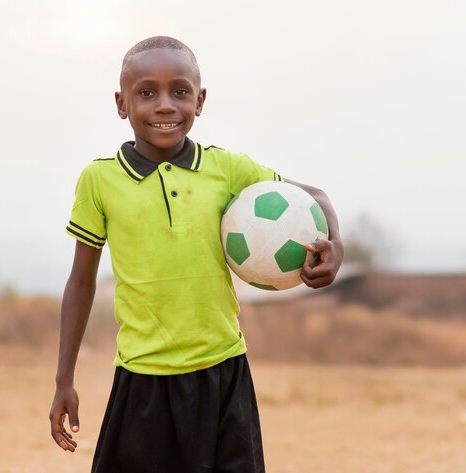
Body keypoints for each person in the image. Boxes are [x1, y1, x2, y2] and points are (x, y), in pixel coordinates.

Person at [50, 36, 344, 473]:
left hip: (223, 371)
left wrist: (334, 245)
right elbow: (80, 281)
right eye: (146, 93)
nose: (165, 105)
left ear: (200, 100)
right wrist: (63, 381)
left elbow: (315, 196)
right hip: (143, 376)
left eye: (180, 91)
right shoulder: (99, 180)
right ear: (121, 103)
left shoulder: (228, 169)